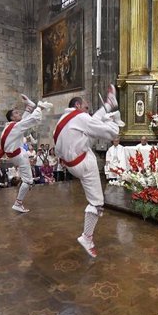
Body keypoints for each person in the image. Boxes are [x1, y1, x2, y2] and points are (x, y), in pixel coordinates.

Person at [54, 86, 124, 257]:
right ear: (77, 105)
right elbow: (112, 134)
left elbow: (91, 119)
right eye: (86, 107)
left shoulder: (64, 119)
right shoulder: (80, 116)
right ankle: (87, 237)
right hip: (83, 163)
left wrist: (107, 106)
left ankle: (109, 104)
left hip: (70, 164)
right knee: (97, 203)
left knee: (89, 131)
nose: (88, 110)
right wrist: (114, 121)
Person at [0, 94, 52, 212]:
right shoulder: (15, 126)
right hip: (18, 156)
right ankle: (18, 203)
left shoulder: (10, 126)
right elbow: (32, 120)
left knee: (27, 180)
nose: (19, 114)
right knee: (28, 180)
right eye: (17, 113)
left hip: (17, 153)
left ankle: (18, 203)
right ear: (12, 118)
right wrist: (39, 108)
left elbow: (24, 120)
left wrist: (29, 106)